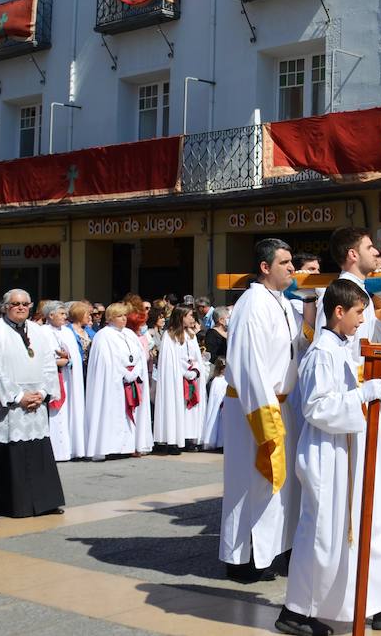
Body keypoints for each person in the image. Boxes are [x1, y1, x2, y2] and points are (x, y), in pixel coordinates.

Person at [277, 278, 381, 635]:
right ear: (339, 312)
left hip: (346, 452)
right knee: (324, 534)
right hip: (328, 455)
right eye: (360, 312)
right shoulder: (321, 353)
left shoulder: (341, 347)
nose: (364, 319)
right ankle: (297, 611)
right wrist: (361, 396)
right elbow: (316, 407)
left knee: (360, 529)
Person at [221, 238, 301, 583]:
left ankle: (269, 551)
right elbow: (250, 364)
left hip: (277, 404)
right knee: (252, 483)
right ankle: (243, 558)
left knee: (275, 486)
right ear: (265, 267)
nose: (292, 268)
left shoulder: (281, 302)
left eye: (292, 261)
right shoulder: (253, 304)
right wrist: (266, 419)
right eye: (284, 262)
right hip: (256, 407)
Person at [332, 226, 381, 541]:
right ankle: (366, 544)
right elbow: (346, 351)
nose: (377, 252)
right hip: (355, 394)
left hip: (370, 387)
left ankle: (374, 544)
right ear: (352, 254)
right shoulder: (342, 293)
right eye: (369, 247)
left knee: (376, 470)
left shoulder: (361, 293)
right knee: (362, 472)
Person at [0, 290, 65, 517]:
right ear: (6, 307)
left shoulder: (37, 331)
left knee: (38, 452)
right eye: (15, 304)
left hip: (36, 401)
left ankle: (44, 502)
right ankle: (17, 505)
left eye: (25, 304)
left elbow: (48, 363)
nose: (20, 307)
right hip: (10, 406)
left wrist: (43, 392)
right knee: (13, 452)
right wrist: (18, 397)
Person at [84, 303, 152, 459]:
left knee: (131, 413)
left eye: (124, 316)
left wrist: (135, 371)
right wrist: (124, 373)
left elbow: (140, 355)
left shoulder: (129, 333)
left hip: (132, 378)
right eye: (119, 316)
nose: (123, 319)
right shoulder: (104, 335)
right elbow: (106, 362)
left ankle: (130, 445)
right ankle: (111, 447)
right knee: (114, 412)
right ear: (110, 318)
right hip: (115, 383)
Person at [154, 306, 204, 455]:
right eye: (189, 316)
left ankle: (189, 437)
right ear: (180, 317)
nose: (192, 319)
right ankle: (173, 440)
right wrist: (183, 371)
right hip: (177, 378)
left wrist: (195, 369)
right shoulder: (169, 336)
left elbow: (195, 356)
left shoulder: (191, 335)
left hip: (191, 376)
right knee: (176, 406)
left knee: (190, 408)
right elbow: (170, 362)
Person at [40, 301, 86, 462]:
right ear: (50, 315)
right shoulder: (42, 332)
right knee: (55, 414)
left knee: (69, 412)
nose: (65, 316)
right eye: (61, 313)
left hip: (68, 379)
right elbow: (41, 357)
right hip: (54, 378)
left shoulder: (67, 332)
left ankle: (70, 449)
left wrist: (68, 359)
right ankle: (55, 451)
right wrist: (58, 361)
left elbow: (73, 356)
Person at [200, 356, 228, 451]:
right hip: (217, 407)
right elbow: (213, 398)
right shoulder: (216, 381)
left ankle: (222, 442)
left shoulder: (226, 380)